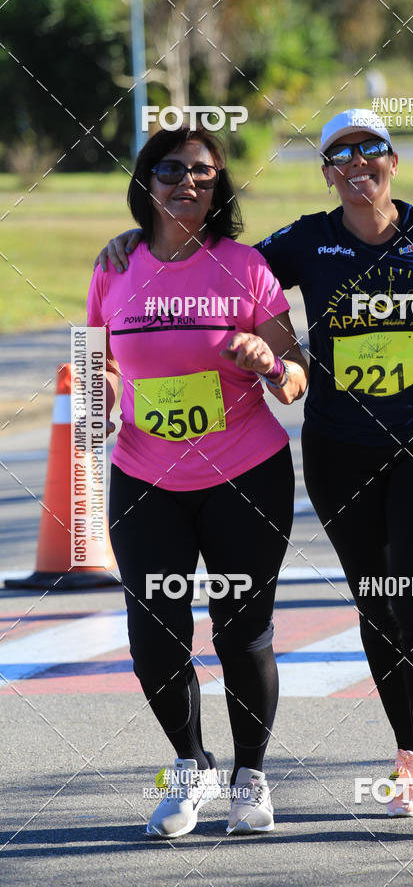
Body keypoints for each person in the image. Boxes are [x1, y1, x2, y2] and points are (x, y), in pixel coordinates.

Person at [96, 109, 413, 825]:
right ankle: (403, 759)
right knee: (377, 599)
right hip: (340, 446)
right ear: (326, 172)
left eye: (371, 150)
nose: (357, 164)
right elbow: (224, 270)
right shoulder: (304, 242)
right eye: (341, 155)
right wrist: (141, 242)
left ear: (391, 161)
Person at [88, 124, 308, 838]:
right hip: (145, 478)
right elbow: (100, 361)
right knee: (154, 634)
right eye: (172, 170)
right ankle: (190, 767)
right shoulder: (113, 267)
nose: (188, 182)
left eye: (204, 174)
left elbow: (297, 379)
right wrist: (102, 387)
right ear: (146, 181)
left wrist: (268, 362)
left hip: (245, 474)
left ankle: (251, 776)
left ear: (219, 189)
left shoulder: (244, 267)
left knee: (242, 633)